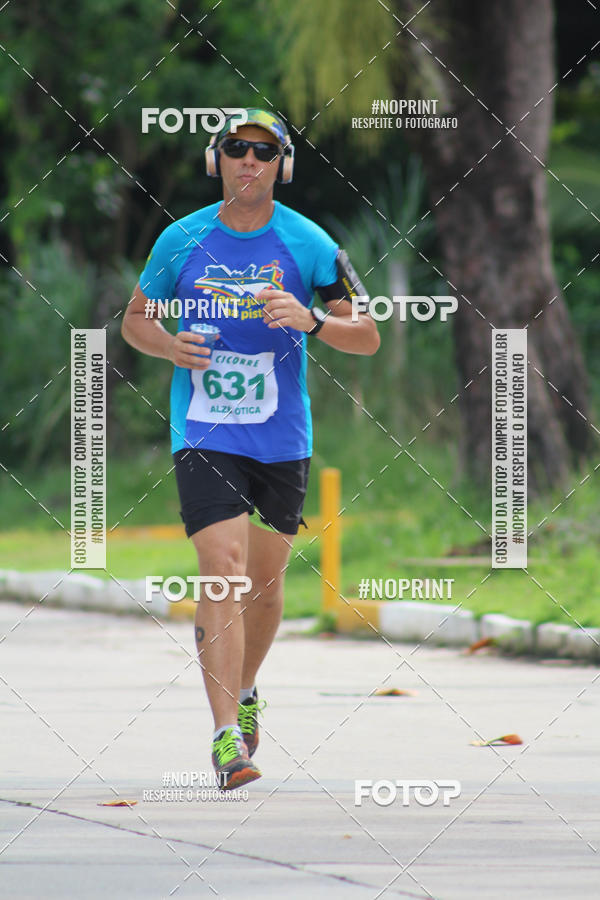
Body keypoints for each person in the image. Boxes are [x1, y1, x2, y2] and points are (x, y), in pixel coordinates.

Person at [122, 108, 379, 790]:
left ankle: (246, 689)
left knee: (263, 589)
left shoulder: (310, 243)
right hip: (205, 431)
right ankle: (224, 737)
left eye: (264, 152)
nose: (249, 161)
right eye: (236, 148)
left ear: (281, 167)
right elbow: (135, 320)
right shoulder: (180, 239)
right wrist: (169, 346)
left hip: (280, 437)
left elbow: (368, 333)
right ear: (217, 160)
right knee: (223, 571)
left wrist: (312, 319)